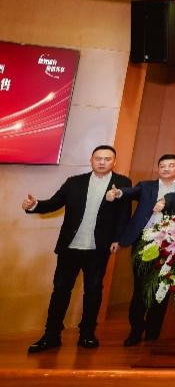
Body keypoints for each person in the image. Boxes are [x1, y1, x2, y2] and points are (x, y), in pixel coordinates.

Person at [22, 145, 131, 353]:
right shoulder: (74, 182)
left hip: (98, 249)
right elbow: (54, 203)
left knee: (93, 292)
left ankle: (87, 334)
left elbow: (123, 214)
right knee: (60, 291)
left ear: (114, 162)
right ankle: (51, 335)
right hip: (69, 248)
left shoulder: (123, 183)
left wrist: (118, 239)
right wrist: (35, 205)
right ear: (91, 160)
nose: (102, 162)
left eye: (107, 159)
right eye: (98, 158)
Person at [111, 153, 175, 346]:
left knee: (163, 288)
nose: (166, 169)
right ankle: (135, 330)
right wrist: (119, 193)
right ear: (158, 168)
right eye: (162, 166)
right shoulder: (146, 186)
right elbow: (130, 192)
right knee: (140, 287)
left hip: (171, 245)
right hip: (143, 241)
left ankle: (153, 330)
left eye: (171, 165)